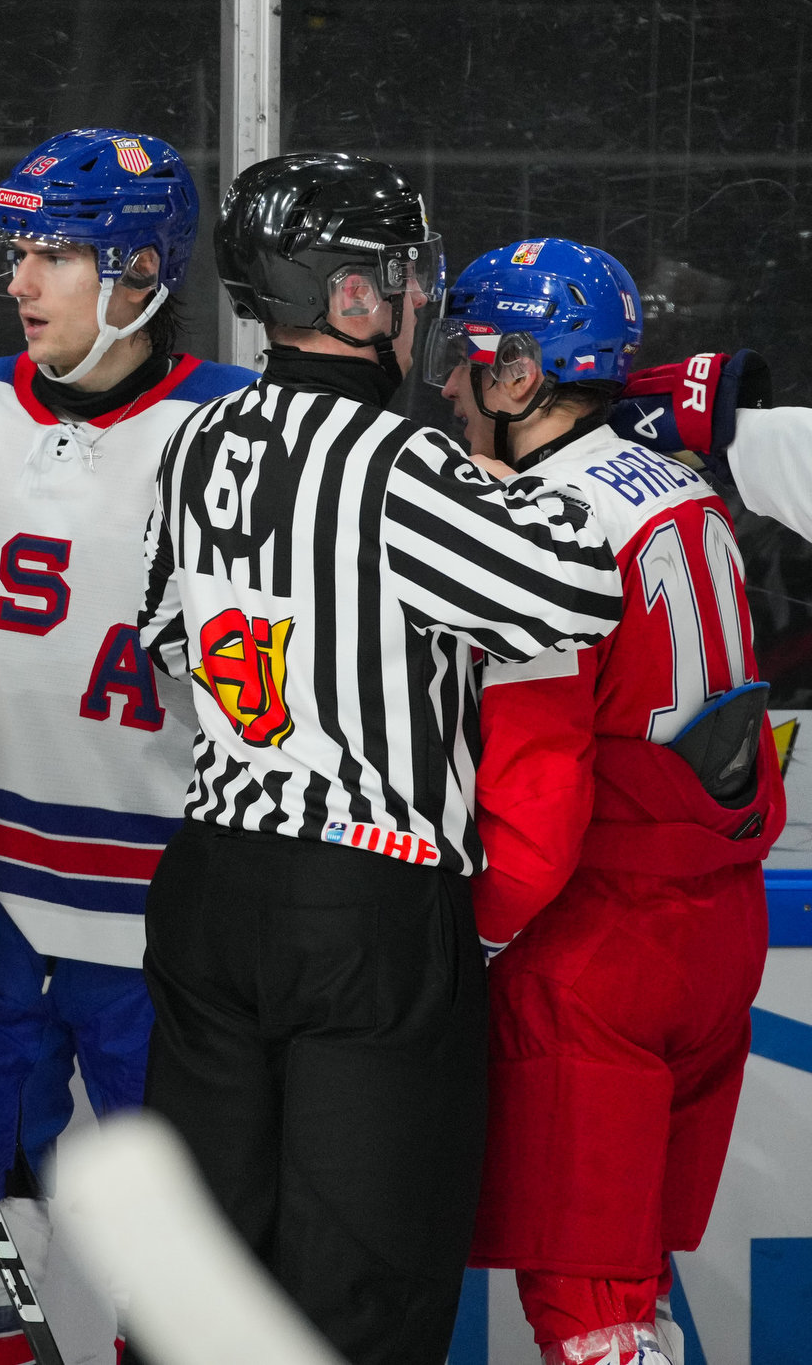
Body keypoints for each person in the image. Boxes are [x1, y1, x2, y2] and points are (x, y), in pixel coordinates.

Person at [134, 153, 626, 1365]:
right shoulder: (402, 462)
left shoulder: (197, 439)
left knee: (199, 1274)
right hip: (364, 901)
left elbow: (157, 631)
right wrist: (557, 467)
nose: (422, 307)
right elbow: (572, 588)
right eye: (403, 279)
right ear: (351, 298)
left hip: (209, 884)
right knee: (356, 1287)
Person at [0, 127, 253, 1365]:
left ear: (138, 270)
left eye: (56, 256)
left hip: (175, 906)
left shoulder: (239, 437)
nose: (20, 282)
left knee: (186, 1249)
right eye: (16, 250)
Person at [429, 239, 785, 1365]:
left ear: (520, 373)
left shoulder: (540, 524)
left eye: (465, 357)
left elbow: (534, 807)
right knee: (629, 1278)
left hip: (593, 945)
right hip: (716, 925)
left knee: (587, 1303)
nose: (445, 382)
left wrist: (460, 941)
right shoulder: (677, 483)